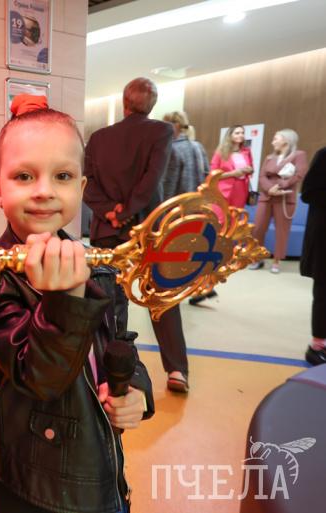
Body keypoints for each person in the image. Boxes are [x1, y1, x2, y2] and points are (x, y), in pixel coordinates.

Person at [0, 94, 154, 513]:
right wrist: (66, 297)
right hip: (33, 482)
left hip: (100, 460)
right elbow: (40, 378)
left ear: (81, 188)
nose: (44, 192)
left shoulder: (98, 265)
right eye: (24, 176)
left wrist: (135, 389)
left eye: (63, 176)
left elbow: (121, 344)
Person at [84, 78, 189, 393]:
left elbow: (87, 183)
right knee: (162, 296)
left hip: (106, 231)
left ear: (124, 102)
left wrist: (111, 212)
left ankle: (114, 370)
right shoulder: (161, 132)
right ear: (152, 105)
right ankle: (176, 370)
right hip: (148, 229)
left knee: (111, 299)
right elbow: (151, 180)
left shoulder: (98, 137)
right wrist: (129, 211)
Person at [249, 129, 308, 273]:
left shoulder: (298, 155)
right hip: (267, 197)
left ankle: (277, 260)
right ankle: (258, 258)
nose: (272, 142)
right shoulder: (269, 157)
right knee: (257, 228)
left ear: (286, 140)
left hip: (284, 199)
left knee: (281, 231)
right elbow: (262, 176)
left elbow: (299, 174)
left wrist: (281, 185)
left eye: (276, 139)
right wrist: (270, 189)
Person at [300, 146, 326, 365]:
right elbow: (309, 192)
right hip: (324, 236)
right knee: (324, 291)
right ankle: (318, 344)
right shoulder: (324, 155)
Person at [161, 111, 209, 199]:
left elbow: (170, 182)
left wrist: (163, 204)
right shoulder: (198, 146)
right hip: (197, 200)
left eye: (164, 125)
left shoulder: (173, 148)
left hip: (179, 202)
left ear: (176, 125)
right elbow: (207, 174)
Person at [210, 125, 254, 208]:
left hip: (241, 188)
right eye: (237, 133)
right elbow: (213, 174)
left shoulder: (246, 151)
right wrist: (233, 173)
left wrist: (249, 170)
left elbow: (252, 169)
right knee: (222, 213)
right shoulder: (220, 152)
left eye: (242, 133)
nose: (241, 135)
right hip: (223, 188)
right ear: (230, 136)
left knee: (236, 212)